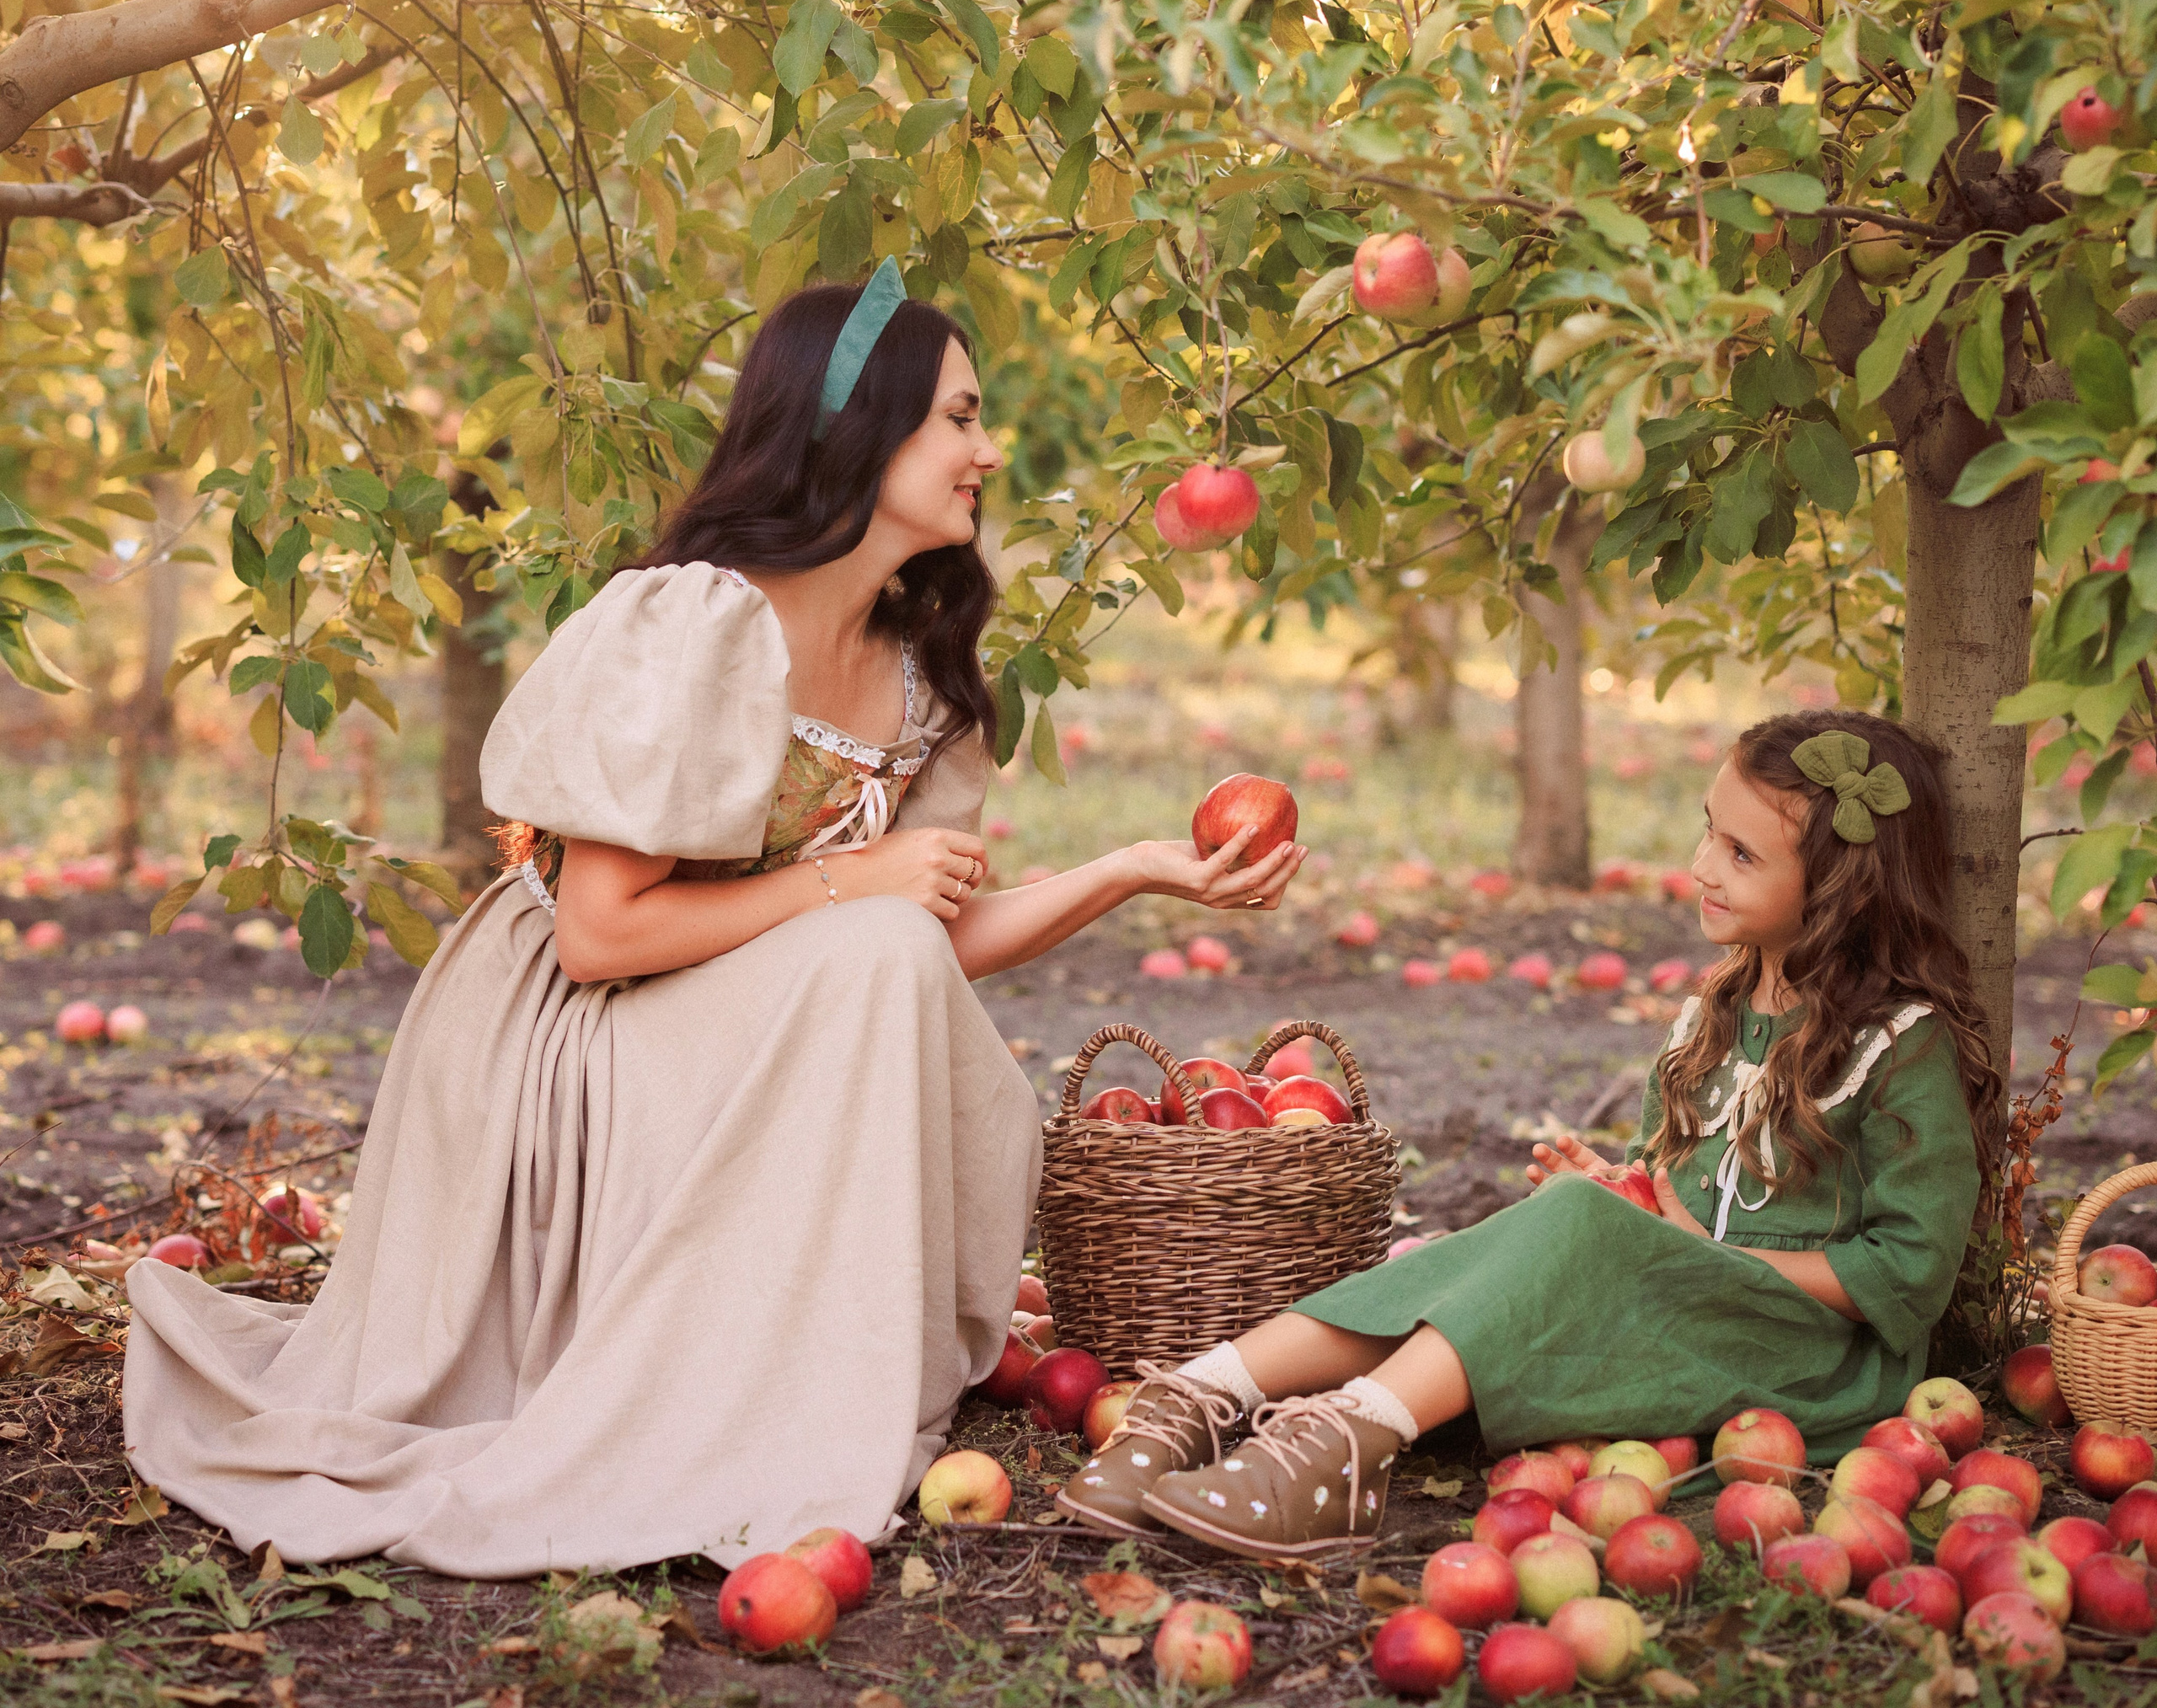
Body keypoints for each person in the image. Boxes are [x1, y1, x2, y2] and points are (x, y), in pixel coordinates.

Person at [123, 264, 1306, 1578]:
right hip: (570, 1035)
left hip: (721, 1007)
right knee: (868, 935)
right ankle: (742, 1394)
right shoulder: (697, 625)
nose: (990, 450)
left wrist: (1139, 868)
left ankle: (817, 1358)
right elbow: (602, 935)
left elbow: (913, 953)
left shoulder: (916, 674)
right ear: (861, 431)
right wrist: (851, 883)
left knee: (890, 955)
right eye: (960, 418)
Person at [1057, 709, 1996, 1558]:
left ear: (1840, 889)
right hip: (1690, 1314)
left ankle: (1351, 1437)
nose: (1705, 863)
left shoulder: (1897, 1047)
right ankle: (1197, 1394)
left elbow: (1909, 1276)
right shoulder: (1712, 1016)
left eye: (1743, 854)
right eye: (1710, 827)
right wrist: (1631, 1197)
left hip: (1807, 1359)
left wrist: (1677, 1248)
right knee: (1488, 1247)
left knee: (1578, 1226)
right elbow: (1673, 1188)